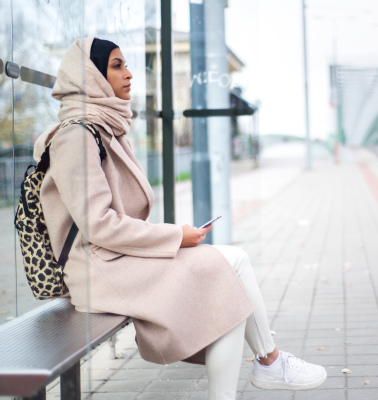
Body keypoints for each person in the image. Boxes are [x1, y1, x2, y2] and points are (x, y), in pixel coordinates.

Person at [35, 37, 326, 400]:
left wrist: (175, 236)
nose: (129, 74)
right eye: (116, 65)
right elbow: (98, 225)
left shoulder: (103, 126)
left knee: (231, 265)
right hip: (97, 269)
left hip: (116, 257)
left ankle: (269, 362)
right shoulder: (76, 136)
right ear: (90, 76)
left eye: (126, 64)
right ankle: (269, 363)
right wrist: (175, 237)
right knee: (223, 271)